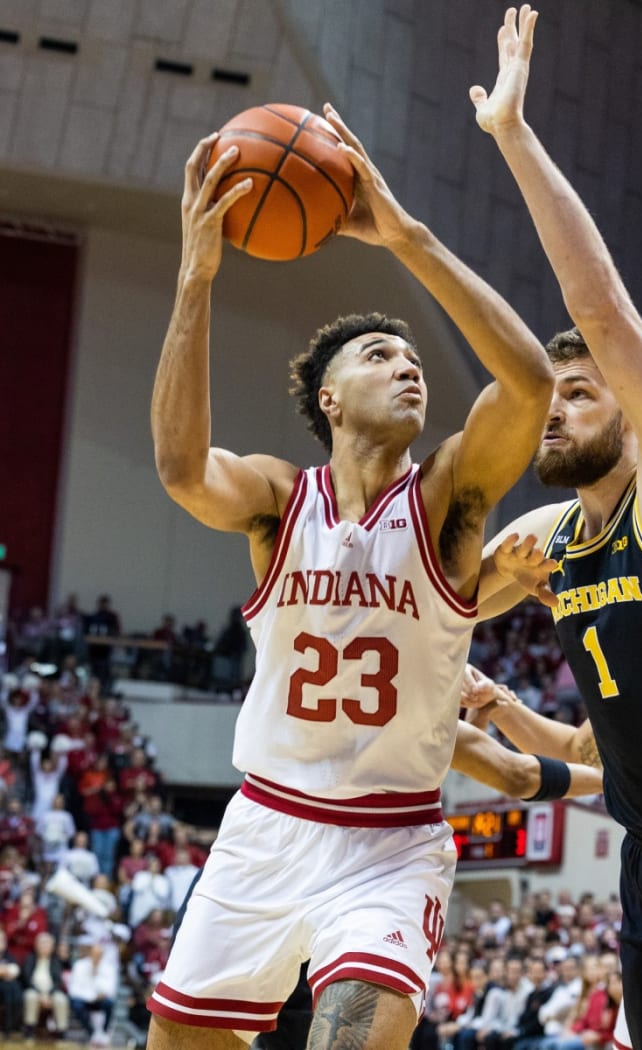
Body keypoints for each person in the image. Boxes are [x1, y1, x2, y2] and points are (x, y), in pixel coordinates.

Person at [147, 94, 556, 1049]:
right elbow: (177, 468)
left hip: (389, 844)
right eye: (382, 354)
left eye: (415, 358)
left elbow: (528, 383)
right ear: (329, 397)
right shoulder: (277, 500)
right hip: (263, 827)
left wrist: (405, 235)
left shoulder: (449, 504)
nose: (409, 367)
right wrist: (196, 278)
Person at [464, 7, 642, 1049]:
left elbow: (601, 311)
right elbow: (443, 604)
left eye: (578, 393)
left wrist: (513, 136)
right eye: (544, 395)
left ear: (636, 419)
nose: (550, 408)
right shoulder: (554, 541)